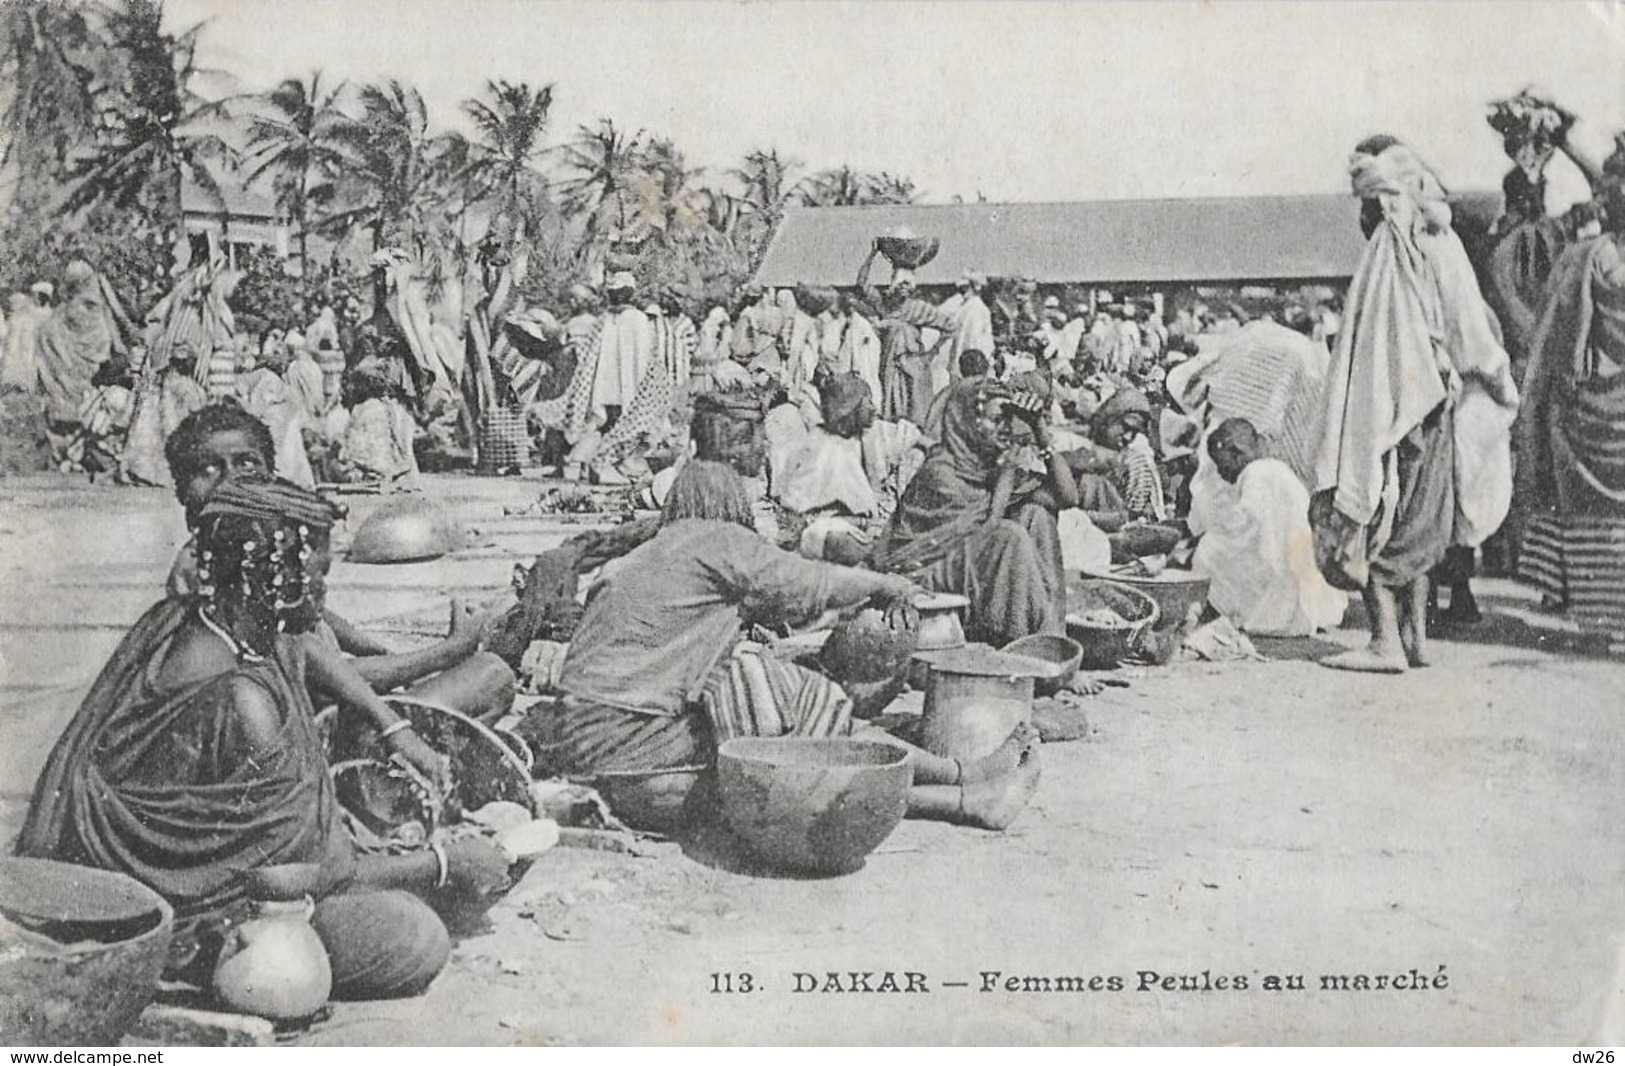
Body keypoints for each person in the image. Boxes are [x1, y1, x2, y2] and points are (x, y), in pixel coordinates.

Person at [16, 475, 514, 1000]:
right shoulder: (243, 700)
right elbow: (281, 879)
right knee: (413, 938)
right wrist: (440, 864)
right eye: (318, 575)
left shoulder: (206, 622)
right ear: (273, 577)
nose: (324, 595)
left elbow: (303, 647)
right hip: (189, 902)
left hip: (159, 872)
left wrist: (394, 727)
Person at [548, 459, 1042, 831]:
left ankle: (963, 784)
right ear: (730, 508)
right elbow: (806, 582)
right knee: (790, 717)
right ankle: (962, 785)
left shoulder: (646, 554)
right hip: (631, 745)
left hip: (582, 740)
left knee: (757, 688)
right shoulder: (716, 540)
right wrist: (881, 584)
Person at [1310, 137, 1460, 673]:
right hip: (1436, 409)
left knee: (1374, 522)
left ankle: (1385, 643)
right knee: (1417, 529)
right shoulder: (1437, 246)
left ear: (1377, 204)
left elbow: (1373, 363)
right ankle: (1416, 639)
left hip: (1396, 419)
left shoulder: (1384, 256)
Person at [1514, 133, 1625, 643]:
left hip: (1589, 413)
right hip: (1588, 414)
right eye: (1611, 186)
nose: (1608, 195)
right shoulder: (1588, 257)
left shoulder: (1590, 258)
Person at [871, 376, 1070, 645]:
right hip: (923, 575)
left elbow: (1068, 497)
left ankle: (1051, 635)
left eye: (1005, 420)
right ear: (966, 421)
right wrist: (1006, 478)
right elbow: (987, 532)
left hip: (965, 568)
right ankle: (1034, 642)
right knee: (1008, 536)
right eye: (994, 420)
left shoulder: (987, 465)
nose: (1004, 428)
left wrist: (1039, 429)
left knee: (1038, 516)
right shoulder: (941, 471)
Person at [1190, 418, 1348, 636]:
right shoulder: (1276, 468)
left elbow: (1247, 524)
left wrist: (1204, 536)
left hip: (1282, 566)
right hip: (1298, 561)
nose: (1220, 472)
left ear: (1237, 453)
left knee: (1207, 551)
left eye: (1221, 464)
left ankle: (1225, 610)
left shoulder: (1256, 473)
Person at [854, 243, 958, 426]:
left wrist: (932, 353)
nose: (903, 290)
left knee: (914, 413)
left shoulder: (918, 309)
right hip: (888, 366)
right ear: (892, 286)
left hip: (913, 367)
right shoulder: (884, 304)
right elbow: (862, 283)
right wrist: (872, 253)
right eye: (899, 286)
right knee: (891, 412)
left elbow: (950, 326)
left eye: (907, 286)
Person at [36, 261, 123, 469]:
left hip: (74, 382)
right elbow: (109, 335)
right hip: (82, 382)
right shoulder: (89, 308)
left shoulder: (57, 319)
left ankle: (71, 451)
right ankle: (74, 450)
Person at [338, 364, 420, 490]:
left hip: (368, 461)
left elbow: (352, 446)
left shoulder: (360, 409)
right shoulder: (391, 407)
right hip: (390, 462)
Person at [939, 273, 995, 388]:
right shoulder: (970, 307)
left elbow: (974, 338)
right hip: (967, 359)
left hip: (966, 359)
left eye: (966, 287)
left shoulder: (972, 308)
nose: (963, 290)